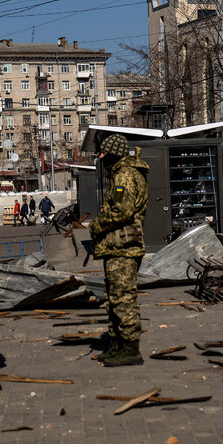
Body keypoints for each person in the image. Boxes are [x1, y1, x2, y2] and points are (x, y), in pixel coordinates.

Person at [89, 134, 149, 367]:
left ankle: (131, 349)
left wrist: (97, 225)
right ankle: (118, 346)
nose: (101, 158)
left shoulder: (125, 176)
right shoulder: (121, 173)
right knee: (113, 298)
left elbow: (122, 213)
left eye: (104, 154)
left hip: (124, 248)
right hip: (116, 247)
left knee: (123, 299)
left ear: (114, 154)